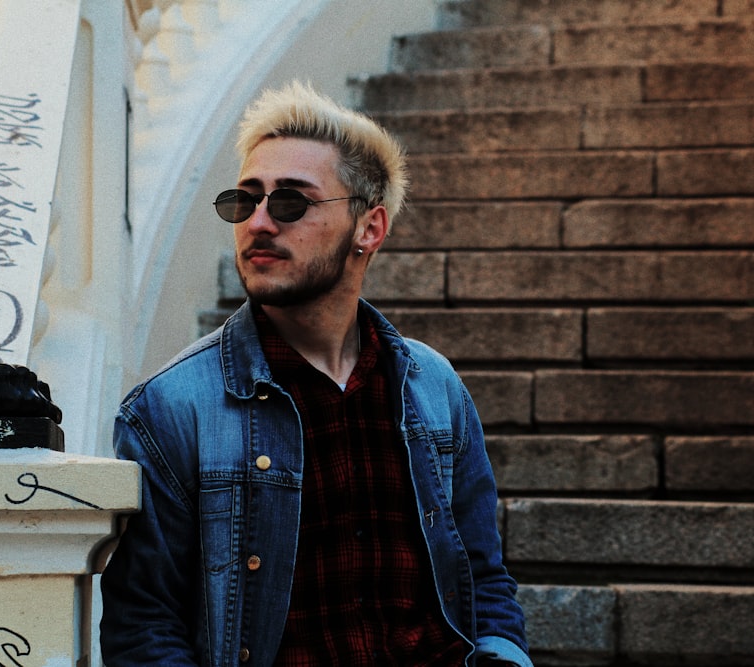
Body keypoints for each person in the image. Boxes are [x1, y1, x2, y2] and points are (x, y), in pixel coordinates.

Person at [100, 81, 532, 667]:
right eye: (245, 200)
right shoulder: (172, 409)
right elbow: (145, 626)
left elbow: (482, 579)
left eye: (290, 202)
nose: (258, 223)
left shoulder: (433, 389)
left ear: (369, 228)